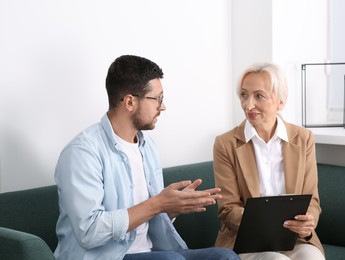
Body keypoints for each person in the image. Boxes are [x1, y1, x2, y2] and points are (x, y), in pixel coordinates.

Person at [54, 54, 239, 260]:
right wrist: (159, 204)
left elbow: (148, 216)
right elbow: (89, 232)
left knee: (225, 257)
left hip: (152, 253)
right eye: (157, 99)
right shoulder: (83, 152)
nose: (163, 107)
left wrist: (174, 206)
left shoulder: (147, 145)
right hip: (106, 256)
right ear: (130, 102)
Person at [213, 62, 325, 260]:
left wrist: (309, 221)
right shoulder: (225, 144)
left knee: (312, 258)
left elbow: (312, 200)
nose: (248, 105)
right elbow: (228, 209)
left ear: (280, 102)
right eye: (244, 95)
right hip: (246, 240)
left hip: (295, 238)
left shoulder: (303, 138)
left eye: (259, 96)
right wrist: (270, 224)